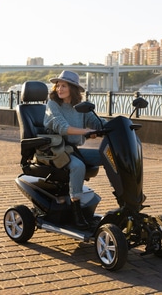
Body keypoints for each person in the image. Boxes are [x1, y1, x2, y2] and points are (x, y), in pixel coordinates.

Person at [44, 70, 107, 229]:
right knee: (78, 166)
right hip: (55, 150)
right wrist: (86, 132)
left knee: (108, 156)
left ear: (72, 88)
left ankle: (123, 199)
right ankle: (76, 212)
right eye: (58, 86)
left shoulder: (79, 107)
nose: (59, 89)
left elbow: (96, 122)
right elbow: (62, 127)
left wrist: (121, 124)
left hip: (72, 150)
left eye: (63, 86)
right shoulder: (52, 104)